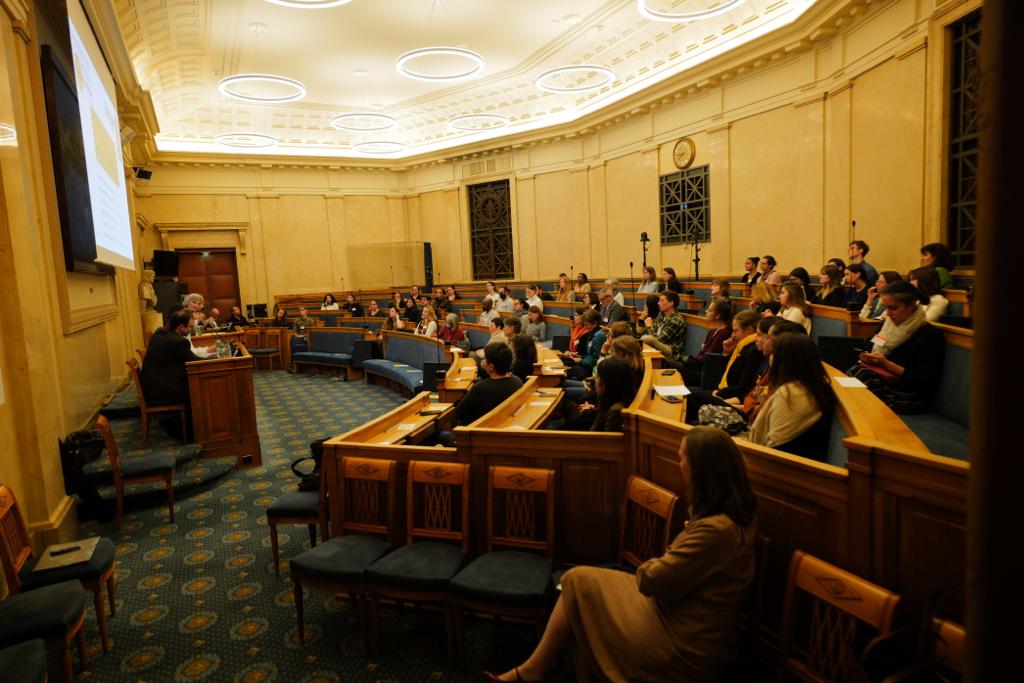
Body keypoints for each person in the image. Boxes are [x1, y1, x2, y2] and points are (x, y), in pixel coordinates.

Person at [487, 426, 756, 683]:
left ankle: (534, 671)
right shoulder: (735, 516)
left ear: (701, 471)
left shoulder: (715, 531)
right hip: (679, 613)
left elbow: (651, 580)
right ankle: (534, 670)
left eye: (682, 458)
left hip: (683, 641)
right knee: (577, 584)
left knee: (578, 589)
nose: (680, 465)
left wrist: (657, 561)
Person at [847, 280, 945, 413]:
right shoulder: (887, 324)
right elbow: (868, 345)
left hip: (909, 394)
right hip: (882, 381)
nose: (887, 313)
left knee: (862, 378)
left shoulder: (929, 335)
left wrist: (886, 364)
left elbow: (923, 380)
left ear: (911, 306)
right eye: (885, 307)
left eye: (893, 308)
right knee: (854, 375)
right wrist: (867, 356)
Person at [746, 333, 834, 452]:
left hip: (779, 465)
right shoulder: (812, 385)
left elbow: (775, 449)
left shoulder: (792, 395)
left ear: (782, 359)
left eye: (773, 353)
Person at [140, 310, 203, 438]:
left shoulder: (162, 333)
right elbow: (195, 361)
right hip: (162, 390)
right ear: (181, 327)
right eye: (190, 326)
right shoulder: (178, 342)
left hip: (152, 385)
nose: (192, 328)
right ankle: (196, 432)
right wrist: (217, 360)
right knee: (197, 390)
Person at [456, 342, 523, 425]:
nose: (483, 362)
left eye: (485, 359)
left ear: (491, 367)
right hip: (507, 425)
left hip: (480, 431)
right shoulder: (517, 381)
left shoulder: (481, 388)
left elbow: (458, 413)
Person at [680, 299, 732, 386]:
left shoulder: (724, 333)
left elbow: (709, 356)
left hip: (705, 373)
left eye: (710, 310)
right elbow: (702, 352)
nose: (706, 311)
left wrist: (693, 362)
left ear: (717, 316)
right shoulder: (712, 331)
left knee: (670, 364)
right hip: (698, 367)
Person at [589, 357, 639, 432]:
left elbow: (605, 442)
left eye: (598, 377)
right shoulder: (619, 398)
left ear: (609, 383)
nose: (595, 382)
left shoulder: (616, 413)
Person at [640, 291, 687, 362]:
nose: (658, 303)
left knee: (647, 339)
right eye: (659, 300)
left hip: (671, 351)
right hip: (660, 344)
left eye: (662, 301)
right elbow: (652, 332)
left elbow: (659, 339)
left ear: (671, 303)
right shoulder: (661, 314)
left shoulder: (676, 320)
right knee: (645, 339)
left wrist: (649, 326)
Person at [561, 309, 606, 380]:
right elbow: (589, 355)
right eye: (584, 325)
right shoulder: (591, 334)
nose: (585, 327)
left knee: (566, 371)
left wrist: (581, 360)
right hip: (586, 364)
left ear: (595, 323)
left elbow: (598, 359)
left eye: (586, 325)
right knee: (564, 364)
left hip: (591, 369)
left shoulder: (600, 337)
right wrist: (580, 356)